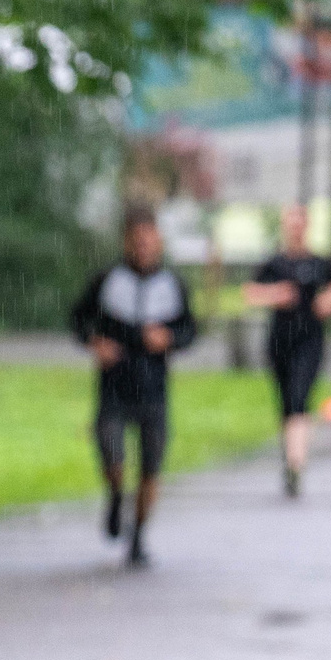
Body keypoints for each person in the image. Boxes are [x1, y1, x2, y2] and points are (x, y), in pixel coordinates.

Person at [69, 206, 198, 567]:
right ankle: (114, 496)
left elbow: (190, 331)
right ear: (127, 242)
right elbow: (78, 318)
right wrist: (96, 343)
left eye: (149, 240)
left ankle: (138, 536)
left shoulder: (172, 285)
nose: (143, 247)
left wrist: (169, 339)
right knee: (112, 454)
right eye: (136, 240)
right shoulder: (107, 280)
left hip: (154, 388)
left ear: (158, 241)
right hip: (114, 386)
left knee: (150, 469)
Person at [242, 204, 331, 497]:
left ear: (307, 226)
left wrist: (330, 301)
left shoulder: (320, 263)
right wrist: (275, 295)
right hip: (280, 341)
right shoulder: (274, 264)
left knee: (301, 397)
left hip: (310, 341)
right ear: (285, 226)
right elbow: (250, 292)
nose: (296, 227)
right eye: (291, 222)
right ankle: (291, 457)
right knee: (287, 403)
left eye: (300, 222)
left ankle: (295, 464)